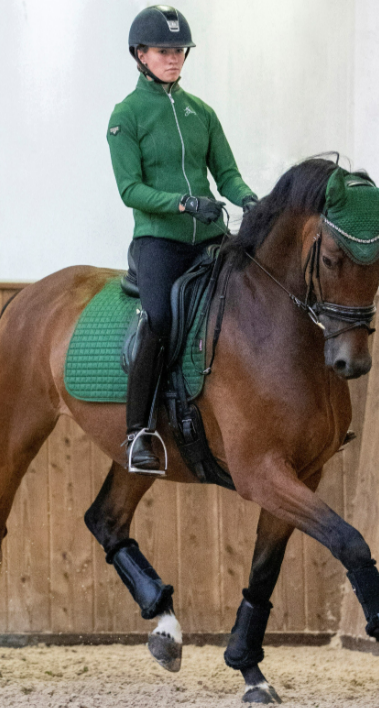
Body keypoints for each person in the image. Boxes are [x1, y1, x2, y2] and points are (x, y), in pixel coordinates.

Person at [107, 5, 258, 472]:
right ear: (141, 54)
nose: (173, 58)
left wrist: (252, 201)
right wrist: (184, 203)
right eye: (163, 50)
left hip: (210, 237)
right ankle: (138, 433)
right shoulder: (126, 115)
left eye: (179, 51)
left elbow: (227, 175)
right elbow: (129, 188)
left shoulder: (202, 113)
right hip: (160, 241)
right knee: (158, 318)